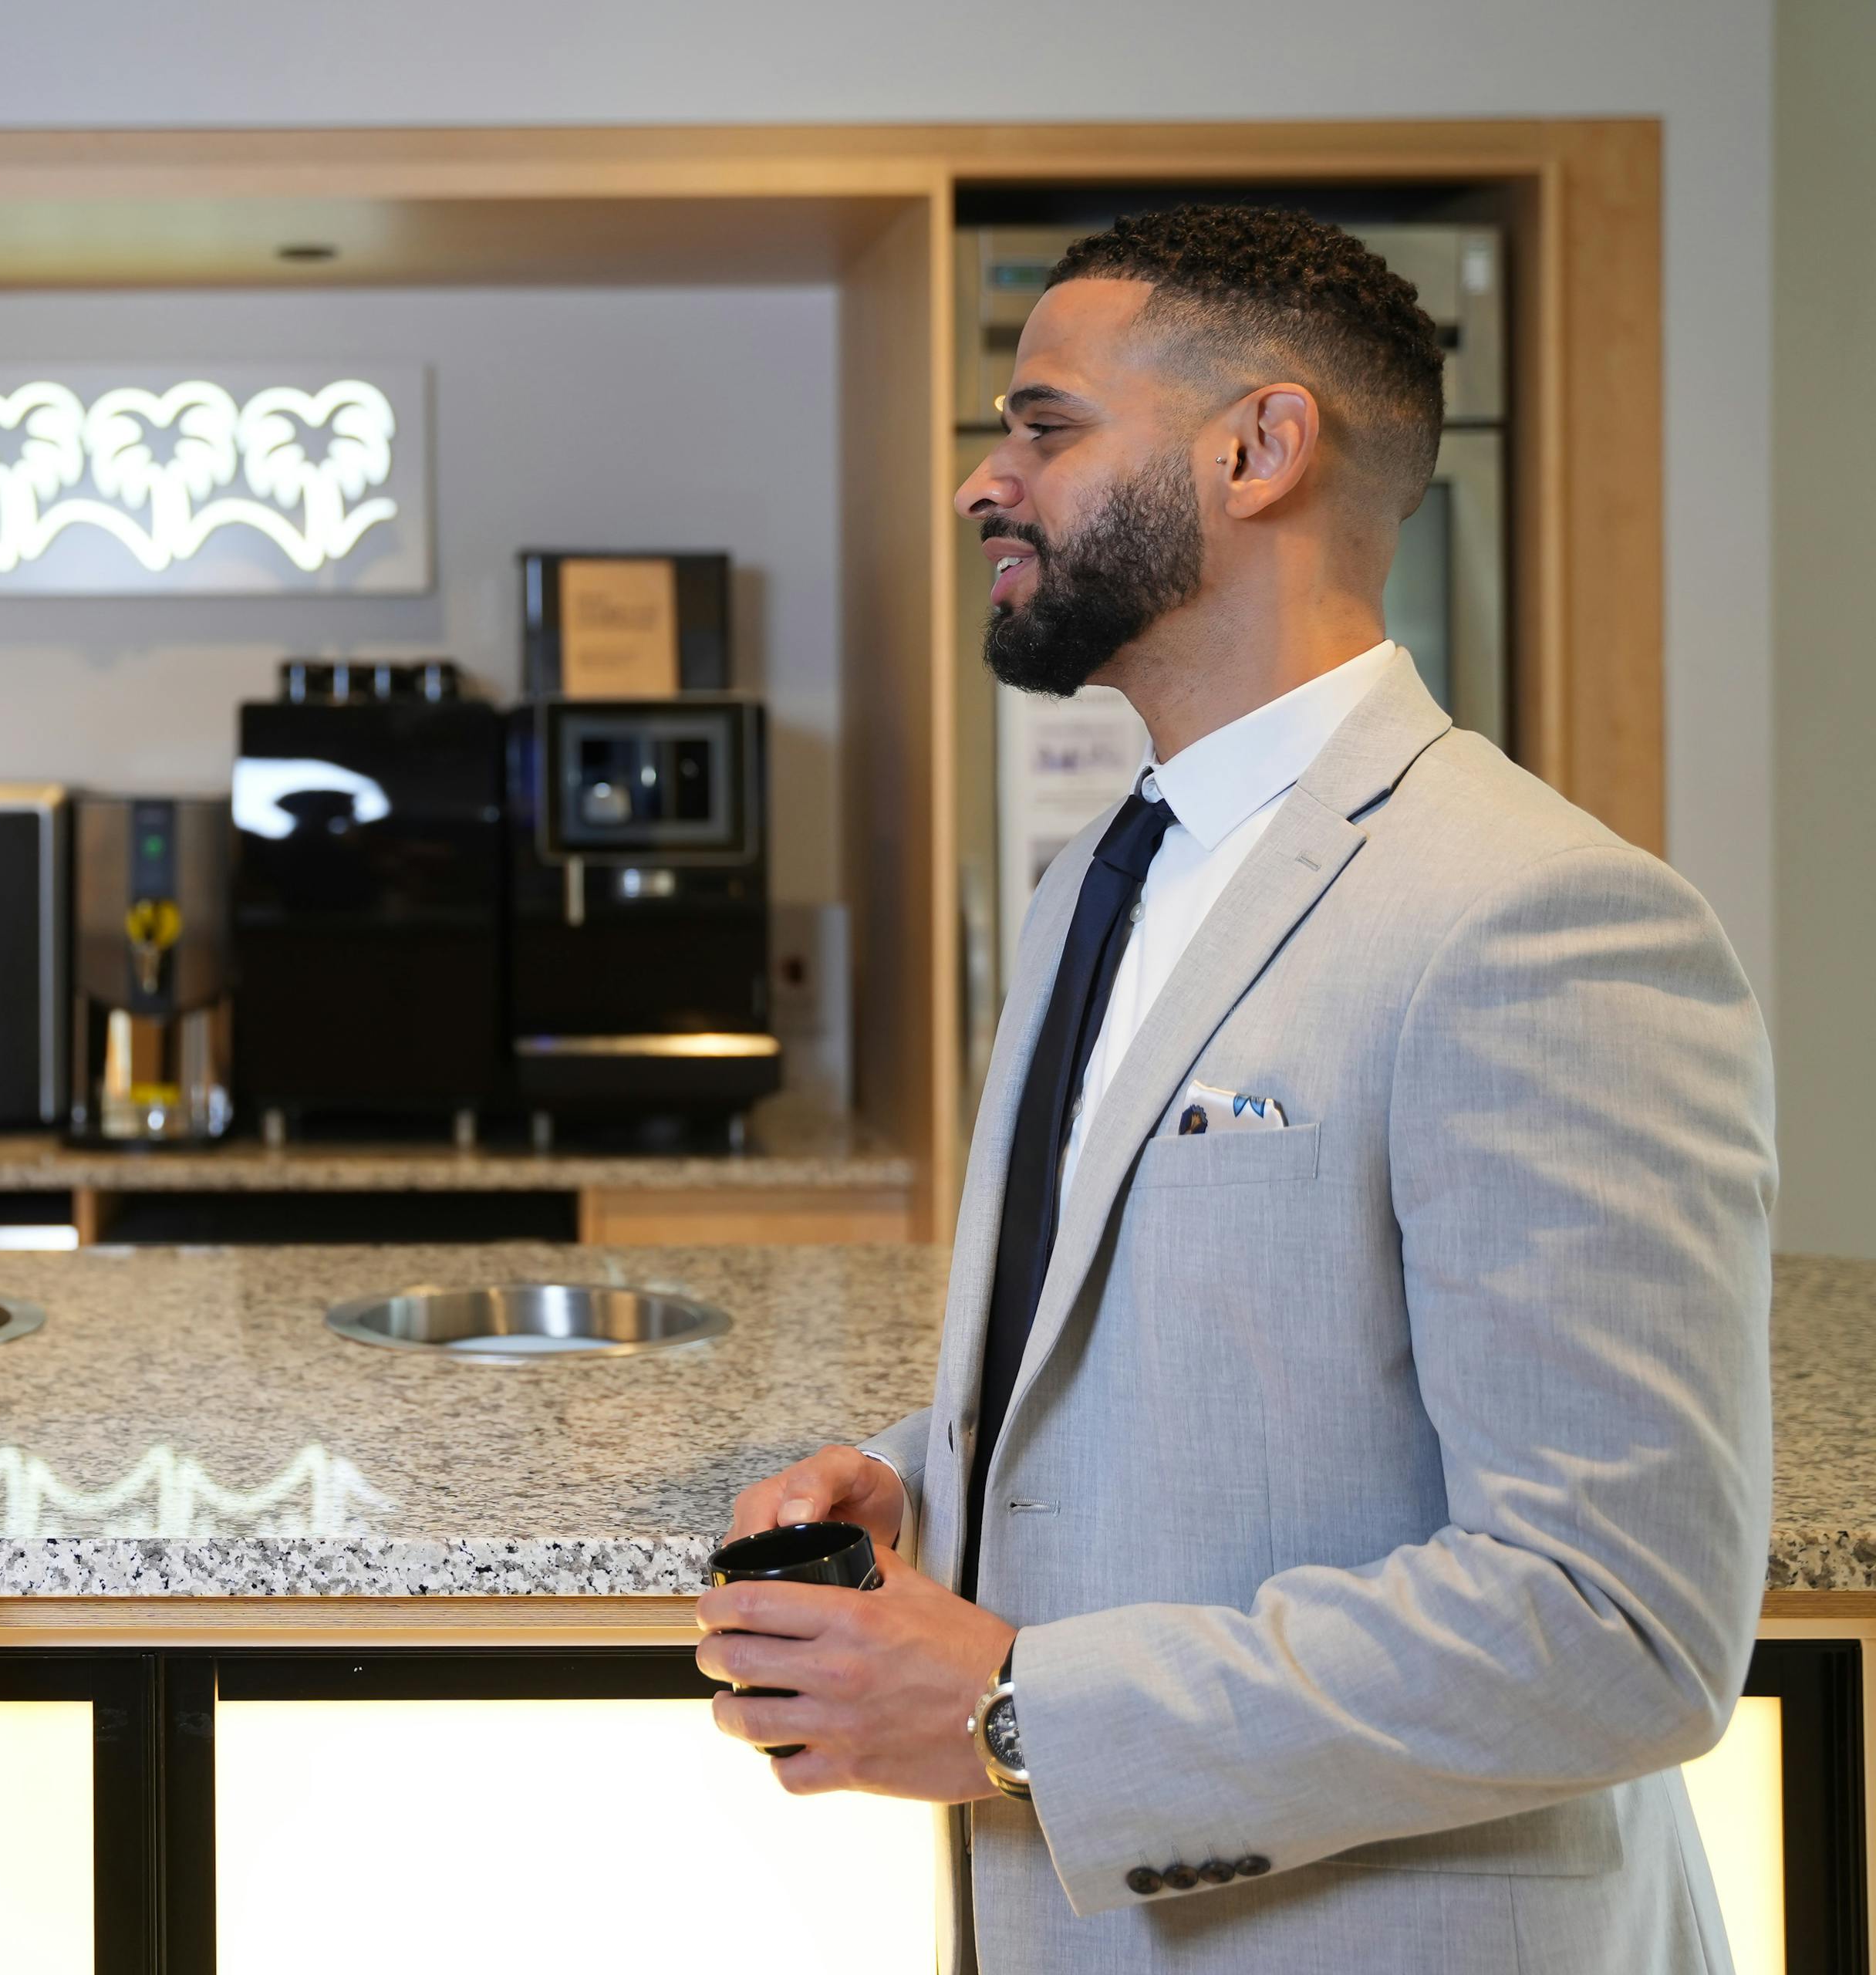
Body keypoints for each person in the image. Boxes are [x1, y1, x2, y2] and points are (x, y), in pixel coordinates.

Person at [704, 206, 1772, 1971]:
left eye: (1046, 427)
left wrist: (1020, 1708)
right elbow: (1227, 1383)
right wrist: (931, 1483)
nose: (986, 484)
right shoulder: (1097, 882)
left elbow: (1620, 1618)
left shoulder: (1539, 916)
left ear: (1257, 448)